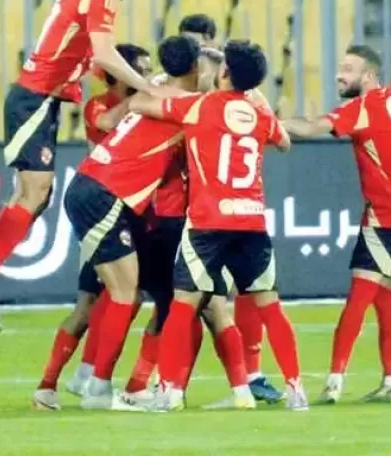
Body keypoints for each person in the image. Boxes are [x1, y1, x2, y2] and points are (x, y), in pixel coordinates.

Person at [0, 0, 176, 331]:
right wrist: (149, 87)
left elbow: (84, 48)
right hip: (34, 97)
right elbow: (105, 54)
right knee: (34, 193)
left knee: (37, 196)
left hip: (43, 98)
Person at [129, 40, 309, 412]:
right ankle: (296, 389)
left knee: (182, 305)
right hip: (251, 221)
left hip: (207, 223)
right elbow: (285, 141)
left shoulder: (199, 106)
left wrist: (160, 84)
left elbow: (138, 105)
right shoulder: (259, 115)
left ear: (225, 72)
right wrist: (255, 98)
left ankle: (170, 393)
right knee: (270, 306)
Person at [283, 45, 391, 404]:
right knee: (387, 295)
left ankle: (333, 383)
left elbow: (311, 128)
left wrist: (271, 123)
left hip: (390, 216)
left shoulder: (362, 108)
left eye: (348, 69)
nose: (339, 75)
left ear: (368, 76)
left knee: (359, 297)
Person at [53, 35, 201, 411]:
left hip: (93, 185)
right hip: (104, 191)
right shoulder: (190, 105)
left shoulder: (150, 93)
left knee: (123, 292)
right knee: (123, 293)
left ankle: (90, 382)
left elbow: (116, 114)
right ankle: (98, 390)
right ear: (196, 68)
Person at [32, 43, 150, 409]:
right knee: (91, 303)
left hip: (125, 209)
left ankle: (84, 375)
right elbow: (106, 124)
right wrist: (145, 96)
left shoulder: (141, 106)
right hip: (102, 206)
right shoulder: (98, 105)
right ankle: (56, 383)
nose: (144, 77)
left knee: (124, 296)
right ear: (118, 74)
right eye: (139, 70)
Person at [179, 13, 282, 404]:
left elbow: (273, 127)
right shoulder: (181, 88)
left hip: (214, 210)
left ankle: (245, 378)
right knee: (188, 301)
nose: (198, 56)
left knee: (222, 295)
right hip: (181, 206)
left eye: (203, 48)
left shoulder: (224, 99)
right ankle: (166, 383)